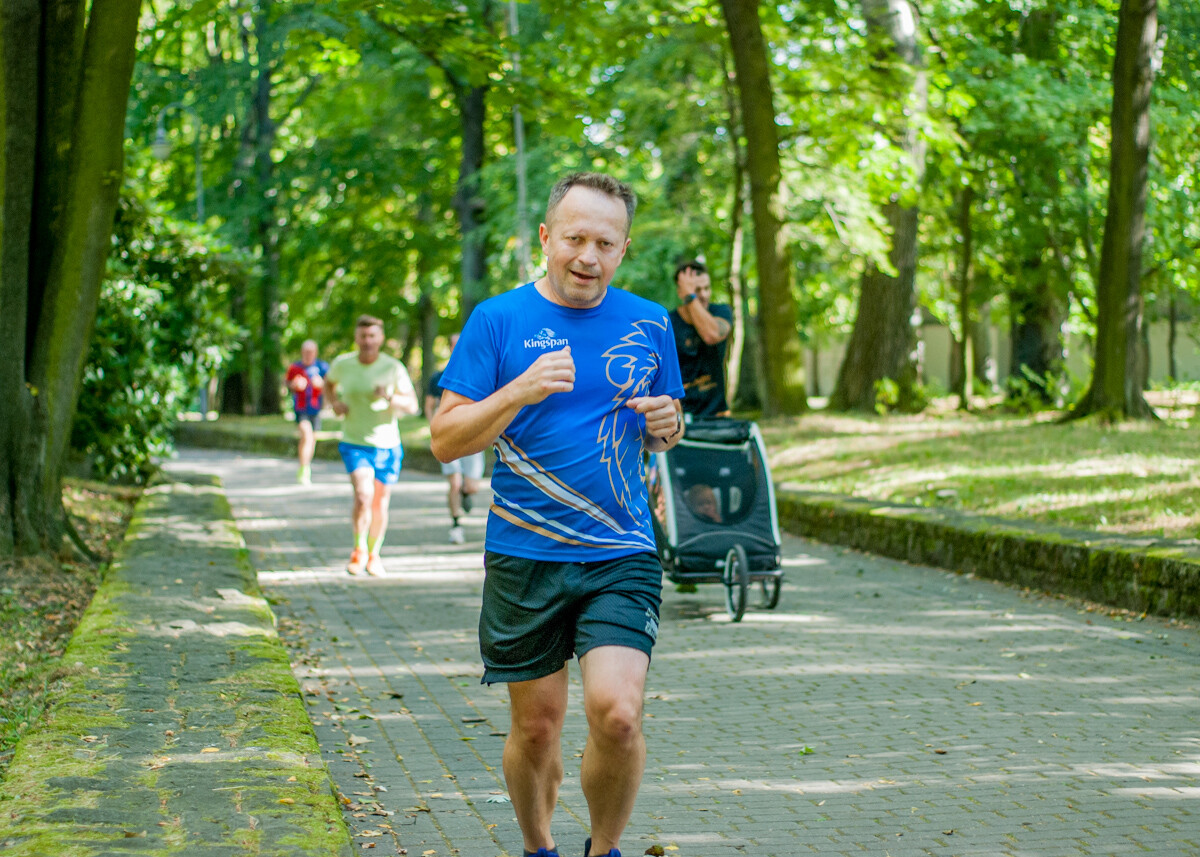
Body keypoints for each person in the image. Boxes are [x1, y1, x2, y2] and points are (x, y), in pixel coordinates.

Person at [430, 172, 685, 857]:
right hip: (526, 554)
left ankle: (604, 850)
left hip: (621, 551)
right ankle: (538, 846)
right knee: (537, 728)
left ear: (624, 249)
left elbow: (663, 430)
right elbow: (446, 439)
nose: (587, 256)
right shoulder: (497, 320)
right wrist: (520, 388)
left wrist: (668, 424)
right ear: (545, 238)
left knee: (619, 714)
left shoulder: (651, 322)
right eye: (574, 238)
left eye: (605, 243)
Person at [324, 315, 419, 576]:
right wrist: (335, 403)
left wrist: (388, 396)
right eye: (363, 336)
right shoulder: (343, 364)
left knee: (380, 502)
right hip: (355, 442)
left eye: (372, 336)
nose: (367, 341)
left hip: (388, 445)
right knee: (363, 495)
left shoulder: (393, 368)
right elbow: (328, 384)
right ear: (356, 338)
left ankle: (374, 555)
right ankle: (358, 550)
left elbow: (412, 405)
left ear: (381, 338)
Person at [425, 333, 486, 545]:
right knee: (454, 482)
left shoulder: (479, 373)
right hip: (448, 435)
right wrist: (435, 429)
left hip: (472, 435)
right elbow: (429, 405)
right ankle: (456, 525)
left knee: (471, 486)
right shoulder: (439, 377)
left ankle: (465, 493)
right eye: (453, 345)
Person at [668, 260, 733, 417]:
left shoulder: (721, 312)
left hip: (717, 415)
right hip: (681, 418)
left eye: (707, 288)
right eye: (696, 290)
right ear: (681, 292)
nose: (704, 295)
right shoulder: (667, 324)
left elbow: (711, 335)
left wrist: (691, 298)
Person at [285, 340, 329, 485]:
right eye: (306, 352)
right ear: (302, 352)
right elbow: (287, 384)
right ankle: (304, 469)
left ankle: (305, 465)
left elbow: (330, 386)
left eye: (311, 352)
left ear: (315, 353)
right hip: (301, 408)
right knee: (307, 435)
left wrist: (321, 384)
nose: (308, 354)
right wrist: (294, 385)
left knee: (311, 440)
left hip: (315, 409)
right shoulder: (295, 367)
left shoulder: (322, 367)